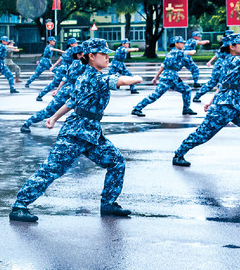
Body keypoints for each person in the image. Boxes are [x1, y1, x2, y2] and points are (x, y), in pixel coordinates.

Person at [9, 39, 142, 223]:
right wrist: (135, 79)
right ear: (91, 56)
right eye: (103, 54)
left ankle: (109, 204)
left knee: (116, 162)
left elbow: (72, 101)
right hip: (75, 133)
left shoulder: (85, 76)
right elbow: (118, 81)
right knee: (51, 169)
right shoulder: (94, 77)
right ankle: (19, 206)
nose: (107, 56)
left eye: (107, 53)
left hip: (91, 133)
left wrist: (54, 118)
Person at [173, 32, 240, 167]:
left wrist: (210, 101)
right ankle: (179, 154)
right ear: (232, 47)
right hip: (224, 107)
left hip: (238, 106)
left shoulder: (228, 60)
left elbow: (223, 84)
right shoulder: (235, 60)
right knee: (204, 134)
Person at [20, 43, 86, 134]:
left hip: (70, 90)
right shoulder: (80, 63)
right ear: (79, 55)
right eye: (84, 54)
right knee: (49, 111)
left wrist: (57, 90)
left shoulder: (74, 63)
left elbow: (65, 78)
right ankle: (27, 123)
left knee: (82, 112)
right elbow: (66, 78)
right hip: (68, 91)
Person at [131, 36, 196, 117]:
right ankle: (137, 108)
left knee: (186, 89)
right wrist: (194, 48)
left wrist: (155, 77)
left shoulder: (172, 53)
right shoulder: (176, 51)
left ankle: (186, 109)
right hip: (168, 78)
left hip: (173, 77)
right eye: (182, 43)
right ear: (176, 44)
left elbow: (163, 66)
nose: (183, 44)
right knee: (155, 95)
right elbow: (190, 53)